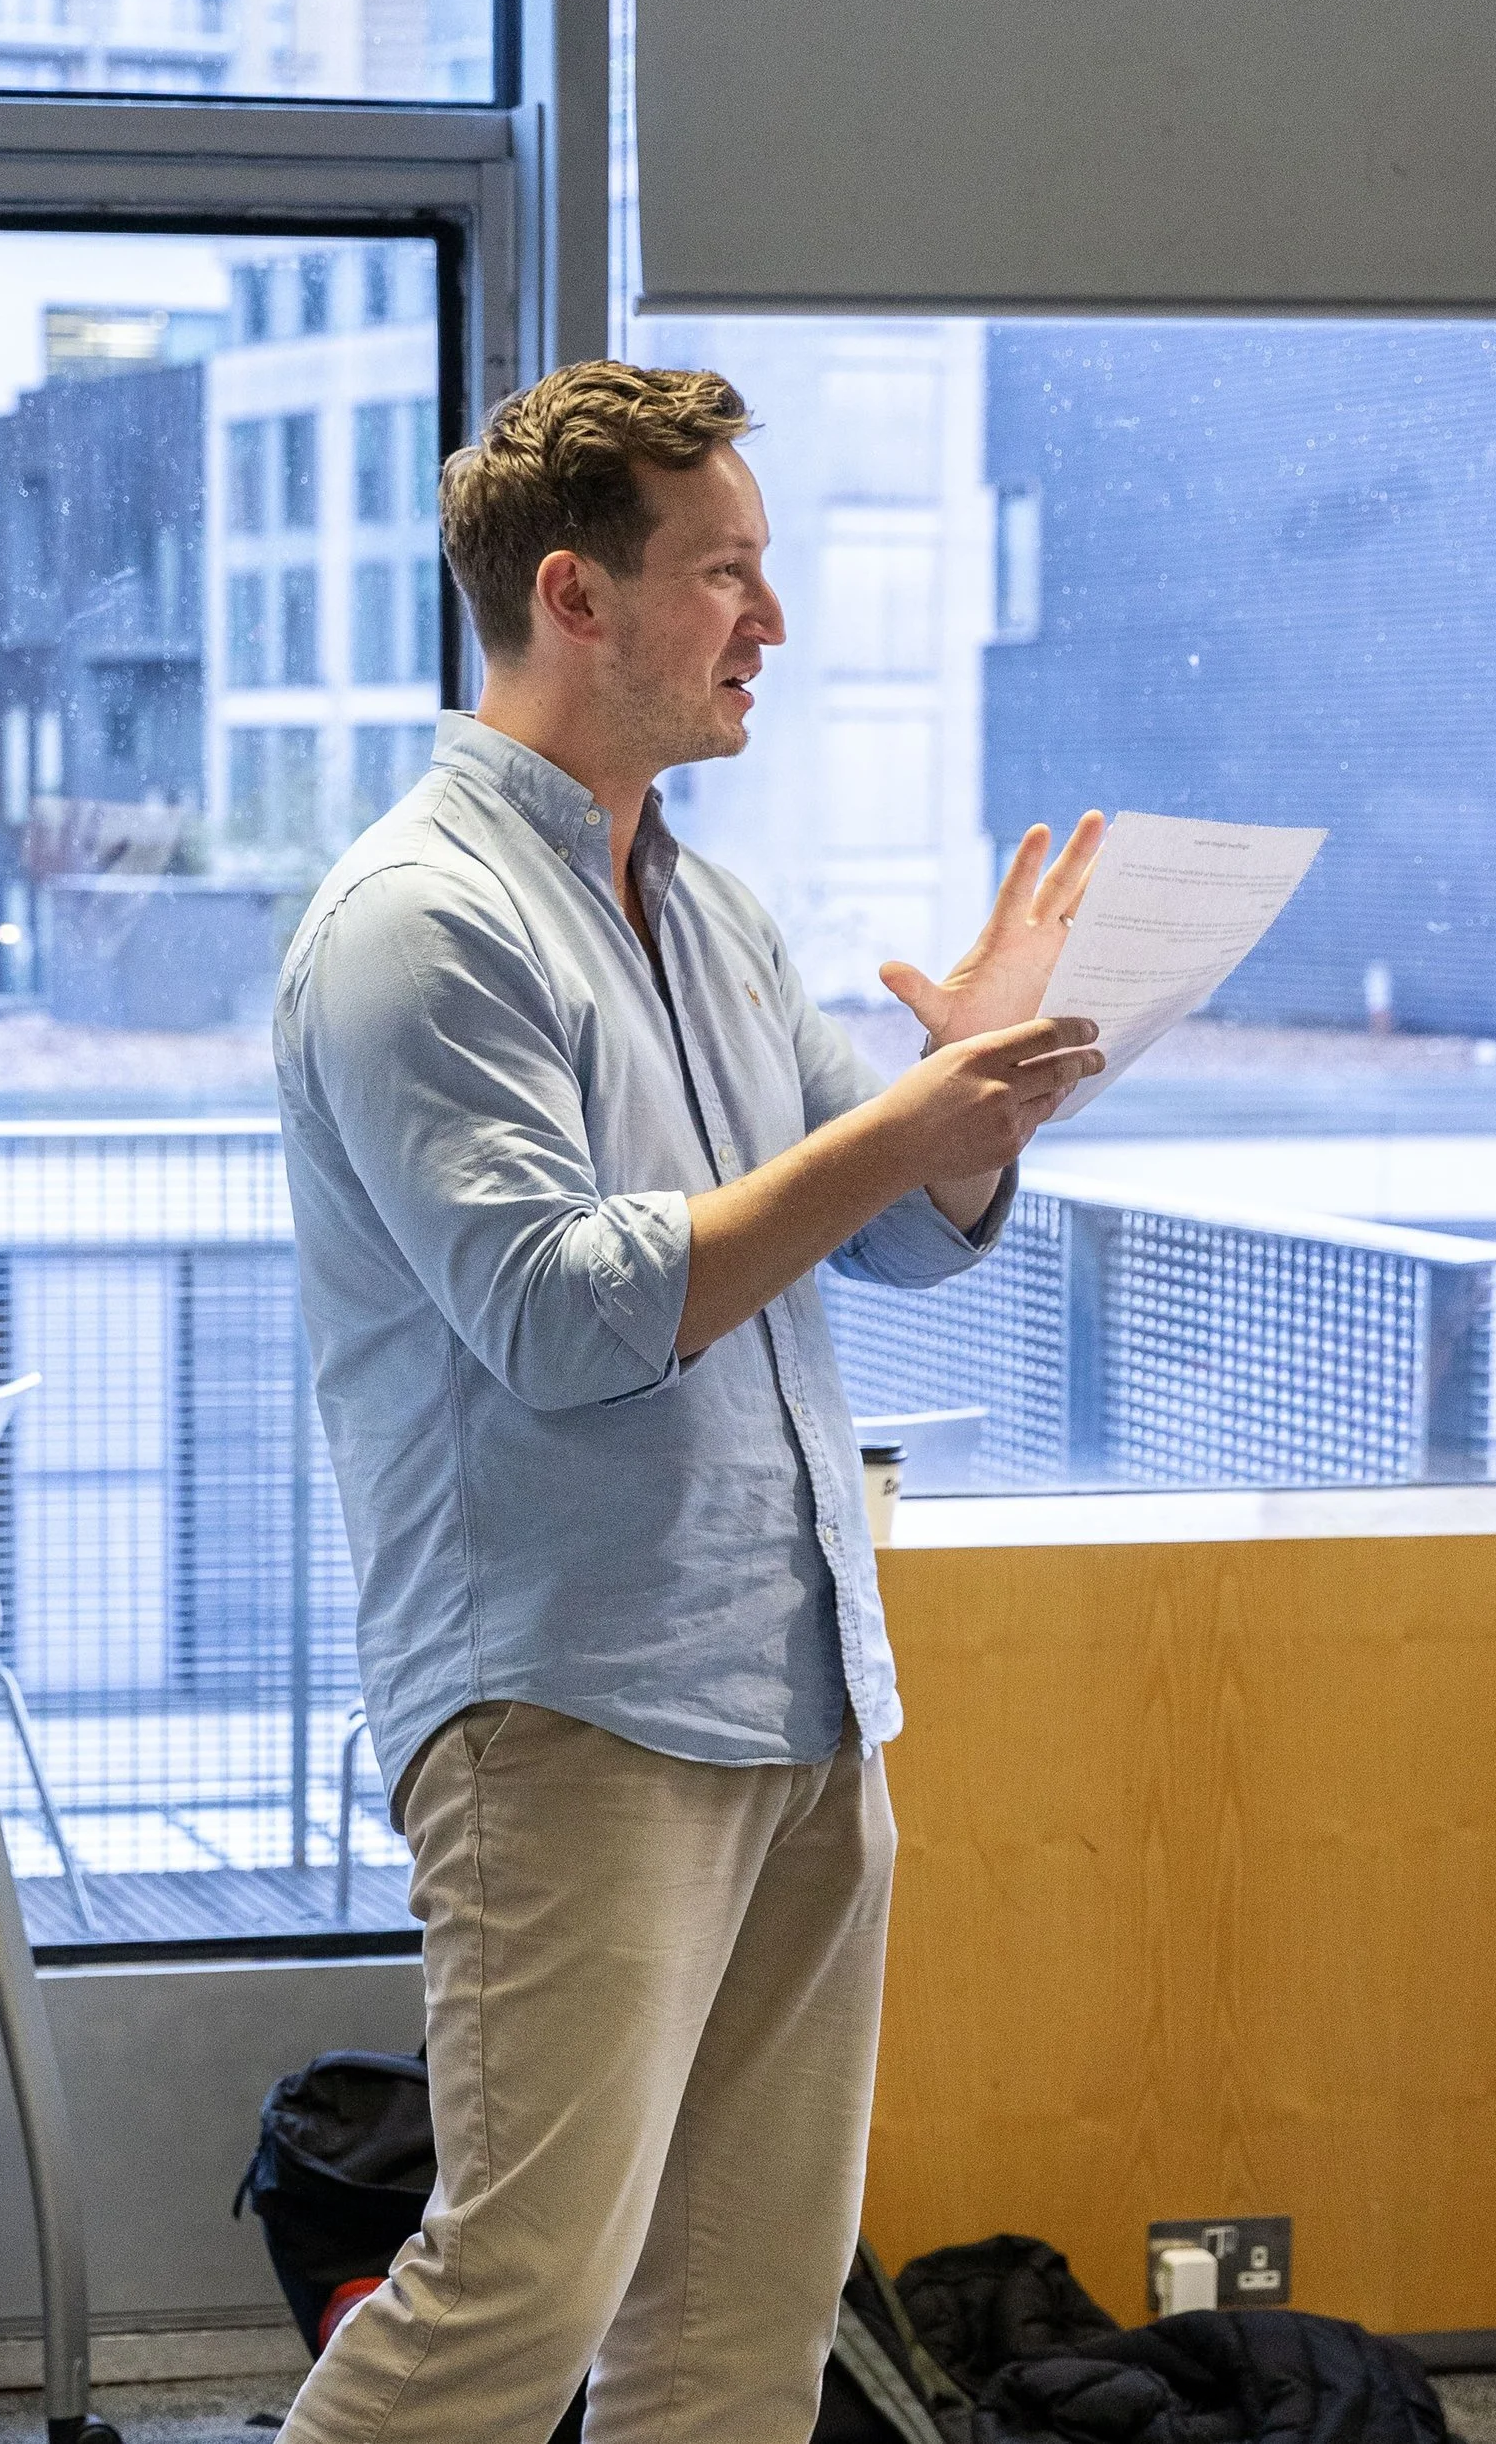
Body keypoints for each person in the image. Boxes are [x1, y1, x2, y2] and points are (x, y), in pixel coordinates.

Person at [272, 360, 1104, 2444]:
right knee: (506, 2306)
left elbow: (891, 1236)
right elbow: (561, 1314)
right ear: (576, 595)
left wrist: (967, 1107)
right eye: (723, 570)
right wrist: (892, 1125)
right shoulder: (418, 927)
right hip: (567, 1701)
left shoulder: (705, 907)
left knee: (739, 2324)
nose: (772, 619)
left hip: (800, 1681)